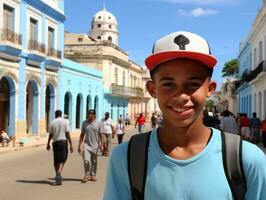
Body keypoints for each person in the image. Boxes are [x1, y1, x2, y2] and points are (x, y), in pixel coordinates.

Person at [103, 31, 266, 199]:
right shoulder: (127, 158)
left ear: (210, 89)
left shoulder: (248, 161)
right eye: (168, 84)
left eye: (193, 84)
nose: (181, 96)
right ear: (152, 89)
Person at [46, 110, 73, 185]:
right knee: (63, 159)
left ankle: (58, 174)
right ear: (61, 115)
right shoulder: (65, 122)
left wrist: (48, 144)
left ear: (55, 115)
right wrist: (71, 144)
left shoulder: (52, 122)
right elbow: (67, 133)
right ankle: (58, 173)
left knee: (56, 160)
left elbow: (50, 134)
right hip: (63, 142)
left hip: (55, 143)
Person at [78, 109, 102, 183]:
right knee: (86, 160)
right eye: (89, 114)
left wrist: (101, 144)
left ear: (94, 115)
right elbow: (82, 135)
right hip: (86, 145)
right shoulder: (84, 123)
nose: (90, 115)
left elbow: (100, 135)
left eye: (91, 114)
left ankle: (93, 175)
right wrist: (79, 145)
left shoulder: (98, 123)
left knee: (94, 161)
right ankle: (87, 175)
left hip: (95, 145)